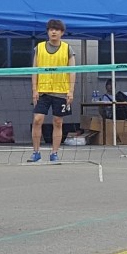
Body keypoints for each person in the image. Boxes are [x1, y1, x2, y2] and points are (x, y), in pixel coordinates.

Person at [29, 19, 75, 163]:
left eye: (56, 29)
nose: (53, 32)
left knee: (58, 121)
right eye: (51, 29)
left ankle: (54, 153)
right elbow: (34, 70)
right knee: (37, 120)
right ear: (48, 32)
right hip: (43, 91)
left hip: (61, 91)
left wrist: (70, 91)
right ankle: (36, 152)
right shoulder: (39, 48)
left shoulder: (67, 49)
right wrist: (34, 89)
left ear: (62, 32)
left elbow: (73, 71)